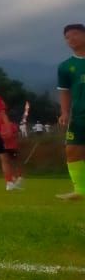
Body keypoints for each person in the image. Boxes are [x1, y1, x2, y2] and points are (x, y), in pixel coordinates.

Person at [56, 23, 85, 201]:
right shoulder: (65, 66)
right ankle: (80, 190)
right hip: (79, 115)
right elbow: (64, 91)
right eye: (67, 37)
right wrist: (65, 112)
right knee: (72, 150)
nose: (71, 39)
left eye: (75, 34)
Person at [0, 115, 23, 187]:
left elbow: (16, 134)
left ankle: (19, 176)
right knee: (6, 162)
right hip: (3, 147)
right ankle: (11, 177)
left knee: (15, 162)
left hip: (12, 146)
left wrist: (10, 136)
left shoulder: (11, 125)